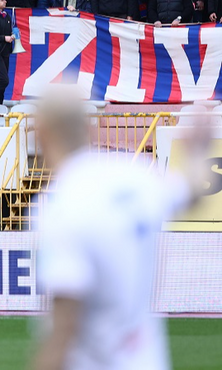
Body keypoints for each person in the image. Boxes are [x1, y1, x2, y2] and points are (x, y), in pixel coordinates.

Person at [31, 86, 203, 370]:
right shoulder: (135, 175)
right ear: (89, 129)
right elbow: (193, 191)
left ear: (41, 133)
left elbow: (64, 326)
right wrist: (197, 149)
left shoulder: (58, 206)